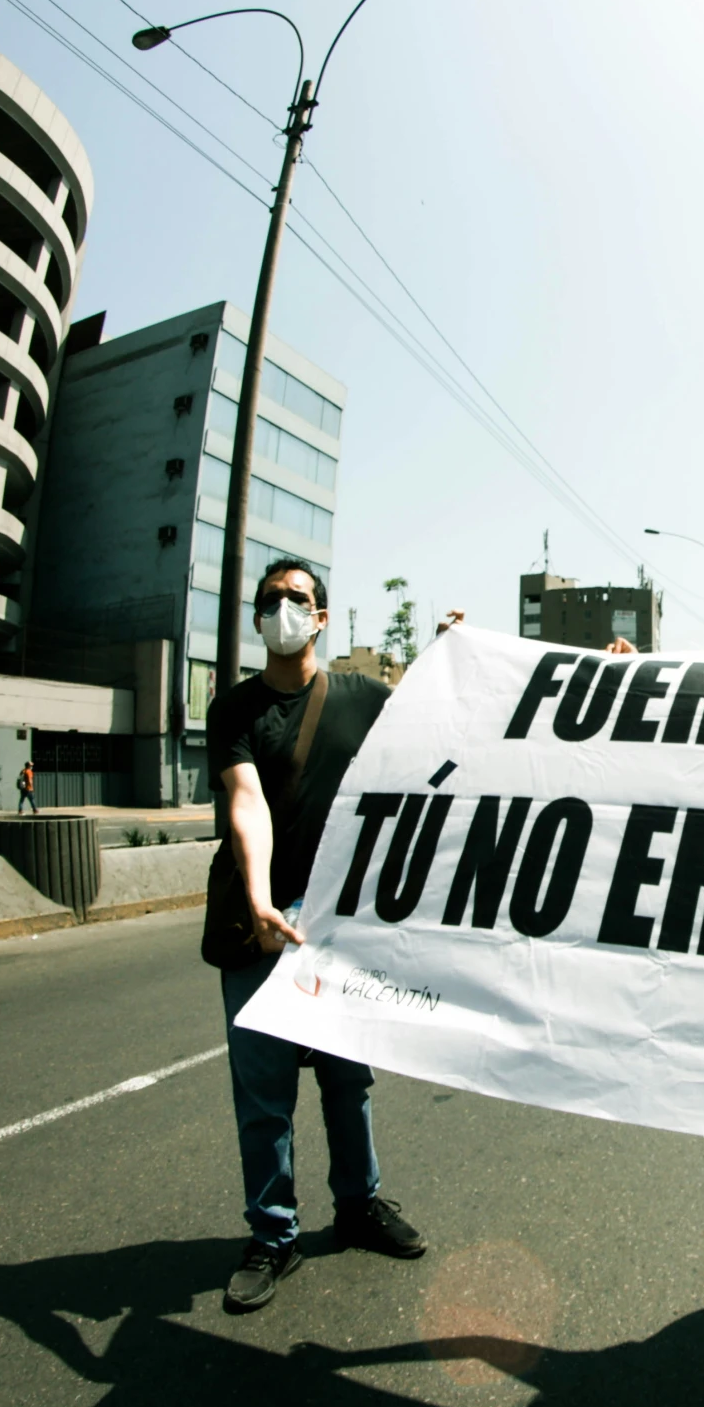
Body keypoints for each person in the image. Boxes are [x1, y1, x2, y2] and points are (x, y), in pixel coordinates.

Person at [204, 556, 424, 1313]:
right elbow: (246, 803)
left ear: (321, 617)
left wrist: (454, 650)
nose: (280, 609)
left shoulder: (364, 698)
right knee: (263, 1092)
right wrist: (264, 900)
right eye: (268, 599)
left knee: (347, 1078)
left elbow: (458, 721)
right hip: (259, 922)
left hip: (342, 924)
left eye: (295, 598)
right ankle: (273, 1234)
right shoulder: (233, 709)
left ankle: (358, 1205)